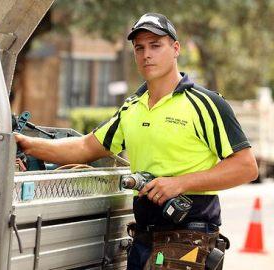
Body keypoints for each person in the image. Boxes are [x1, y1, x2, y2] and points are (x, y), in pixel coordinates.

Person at [16, 12, 258, 270]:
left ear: (175, 49)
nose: (146, 55)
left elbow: (246, 167)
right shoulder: (132, 107)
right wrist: (25, 144)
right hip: (142, 239)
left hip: (188, 238)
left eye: (155, 45)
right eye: (139, 48)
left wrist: (180, 183)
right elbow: (86, 147)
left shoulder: (205, 103)